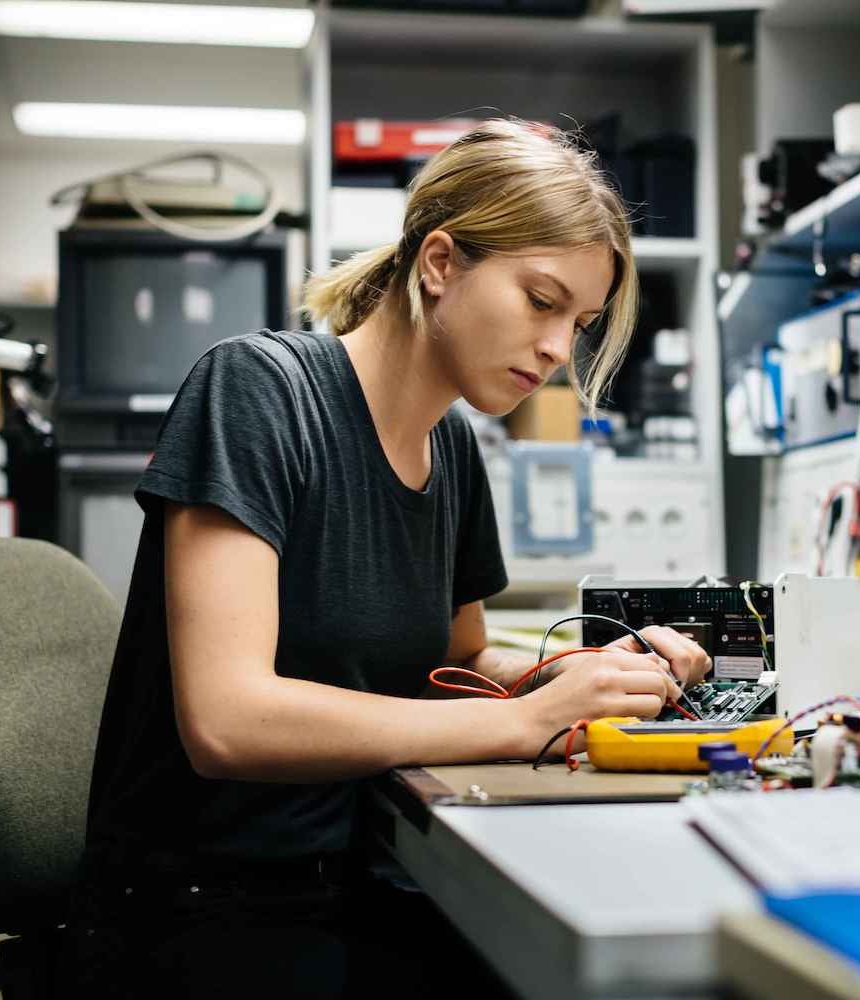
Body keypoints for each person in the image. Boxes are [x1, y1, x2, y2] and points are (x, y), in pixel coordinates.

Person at [71, 119, 711, 998]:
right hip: (199, 911)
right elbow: (227, 721)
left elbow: (459, 659)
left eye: (582, 322)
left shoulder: (451, 449)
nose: (562, 349)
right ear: (440, 263)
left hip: (353, 877)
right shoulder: (259, 392)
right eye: (540, 300)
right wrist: (525, 721)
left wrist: (591, 673)